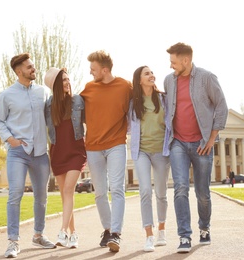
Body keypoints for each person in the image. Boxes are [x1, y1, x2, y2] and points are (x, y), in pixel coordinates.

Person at [164, 42, 228, 253]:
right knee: (180, 188)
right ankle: (184, 236)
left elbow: (221, 106)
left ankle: (204, 228)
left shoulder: (206, 78)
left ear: (186, 60)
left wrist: (211, 140)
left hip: (202, 144)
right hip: (178, 143)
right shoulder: (169, 81)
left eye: (174, 61)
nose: (171, 65)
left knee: (202, 192)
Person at [0, 53, 56, 258]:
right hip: (18, 152)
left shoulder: (43, 92)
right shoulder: (7, 95)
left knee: (42, 196)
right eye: (29, 67)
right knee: (15, 194)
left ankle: (38, 235)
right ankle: (13, 241)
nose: (33, 69)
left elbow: (51, 117)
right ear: (19, 71)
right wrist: (10, 139)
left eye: (33, 66)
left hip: (40, 152)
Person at [80, 50, 132, 253]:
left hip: (116, 144)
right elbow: (73, 106)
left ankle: (116, 234)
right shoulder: (89, 88)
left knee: (117, 189)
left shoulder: (125, 86)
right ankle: (108, 229)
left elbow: (143, 97)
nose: (90, 72)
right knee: (100, 192)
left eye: (93, 69)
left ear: (105, 69)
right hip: (93, 147)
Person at [128, 66, 171, 252]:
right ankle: (149, 235)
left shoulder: (164, 99)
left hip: (161, 151)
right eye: (147, 73)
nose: (151, 75)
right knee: (145, 190)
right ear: (139, 80)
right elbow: (127, 126)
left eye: (152, 72)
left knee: (161, 193)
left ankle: (161, 229)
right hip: (142, 151)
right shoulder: (133, 103)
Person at [44, 67, 87, 249]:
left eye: (68, 79)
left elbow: (90, 121)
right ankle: (74, 234)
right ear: (54, 85)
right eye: (63, 80)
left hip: (76, 153)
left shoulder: (78, 100)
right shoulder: (48, 105)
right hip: (58, 153)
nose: (68, 83)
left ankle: (62, 232)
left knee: (68, 190)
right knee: (65, 195)